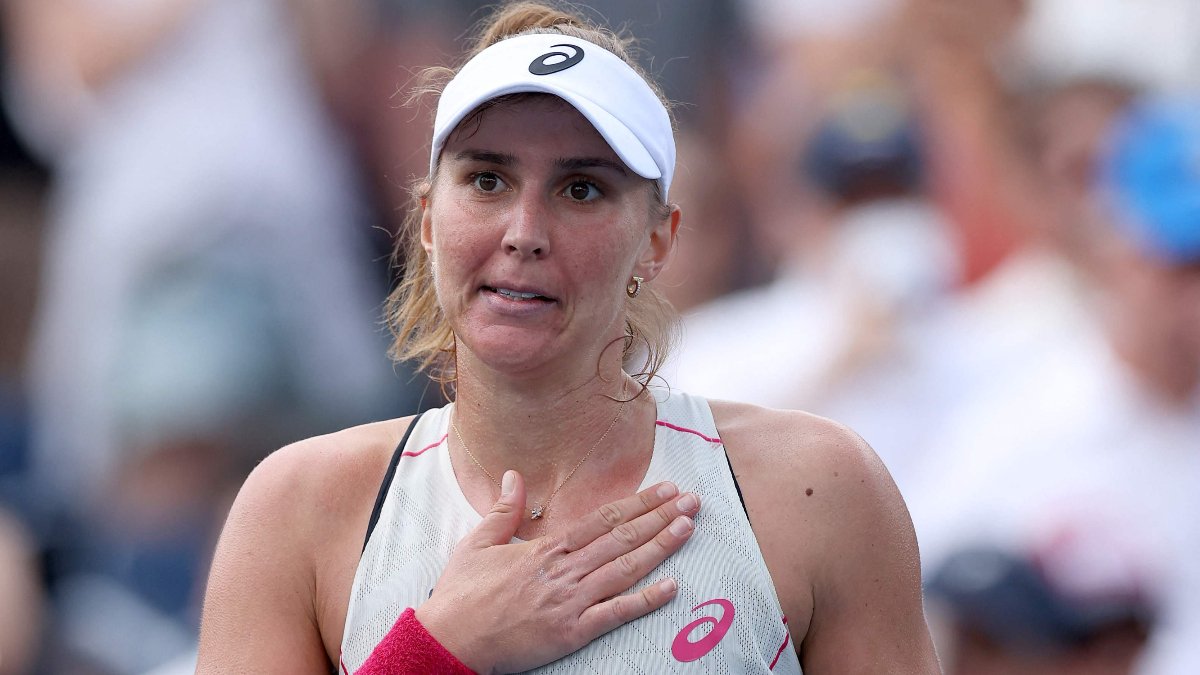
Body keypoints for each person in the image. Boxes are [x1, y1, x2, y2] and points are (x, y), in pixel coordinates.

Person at [196, 2, 940, 672]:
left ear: (658, 242)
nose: (524, 233)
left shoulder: (822, 490)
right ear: (427, 219)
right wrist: (436, 650)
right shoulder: (296, 510)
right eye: (487, 180)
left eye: (580, 189)